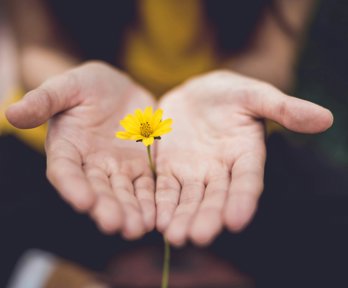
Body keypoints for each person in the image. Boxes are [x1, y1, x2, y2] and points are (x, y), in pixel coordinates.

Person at [1, 0, 347, 286]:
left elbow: (271, 56)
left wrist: (231, 88)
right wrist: (67, 87)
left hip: (222, 140)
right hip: (80, 137)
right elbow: (39, 46)